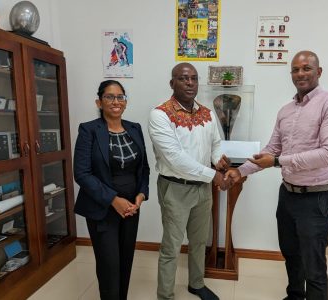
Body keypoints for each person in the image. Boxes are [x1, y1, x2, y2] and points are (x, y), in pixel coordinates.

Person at [226, 51, 328, 300]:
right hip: (289, 194)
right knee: (291, 253)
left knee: (313, 264)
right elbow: (272, 149)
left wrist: (276, 161)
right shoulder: (285, 110)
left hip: (317, 197)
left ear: (319, 72)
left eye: (306, 68)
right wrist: (238, 172)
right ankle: (295, 296)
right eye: (295, 69)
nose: (300, 74)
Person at [148, 63, 231, 300]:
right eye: (184, 78)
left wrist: (218, 161)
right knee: (171, 247)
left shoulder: (207, 113)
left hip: (202, 189)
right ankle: (165, 294)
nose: (190, 83)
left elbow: (215, 143)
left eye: (194, 78)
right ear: (172, 82)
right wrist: (213, 174)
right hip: (175, 188)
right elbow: (174, 158)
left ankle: (196, 283)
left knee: (198, 241)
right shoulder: (160, 114)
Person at [73, 80, 150, 300]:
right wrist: (114, 200)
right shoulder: (89, 130)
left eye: (120, 97)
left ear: (125, 101)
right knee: (109, 264)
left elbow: (143, 167)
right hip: (102, 209)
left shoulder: (135, 128)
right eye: (109, 97)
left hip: (131, 208)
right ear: (99, 101)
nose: (116, 101)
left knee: (126, 260)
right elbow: (82, 173)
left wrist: (141, 195)